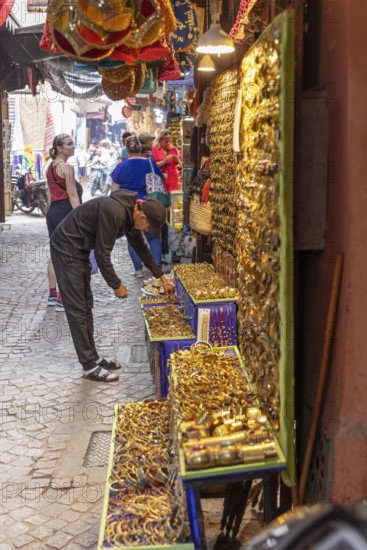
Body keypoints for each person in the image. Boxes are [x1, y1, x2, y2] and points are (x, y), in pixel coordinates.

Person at [50, 191, 173, 382]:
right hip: (66, 248)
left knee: (86, 305)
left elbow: (141, 248)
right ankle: (89, 367)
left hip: (78, 249)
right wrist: (116, 284)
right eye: (148, 226)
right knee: (77, 310)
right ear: (142, 216)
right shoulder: (115, 212)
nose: (146, 230)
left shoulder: (130, 215)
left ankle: (94, 358)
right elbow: (102, 254)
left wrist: (161, 276)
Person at [110, 135, 164, 277]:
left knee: (133, 237)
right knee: (153, 236)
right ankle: (156, 268)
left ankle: (138, 269)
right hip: (148, 204)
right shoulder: (150, 163)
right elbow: (160, 181)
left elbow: (114, 192)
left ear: (127, 150)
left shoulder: (120, 167)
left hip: (129, 208)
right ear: (140, 148)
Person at [46, 133, 83, 311]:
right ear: (60, 148)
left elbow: (49, 196)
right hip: (65, 212)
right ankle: (62, 298)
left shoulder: (50, 167)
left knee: (54, 254)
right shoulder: (67, 168)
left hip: (53, 212)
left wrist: (50, 214)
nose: (73, 146)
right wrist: (81, 217)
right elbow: (73, 195)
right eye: (69, 144)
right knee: (67, 255)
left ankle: (52, 295)